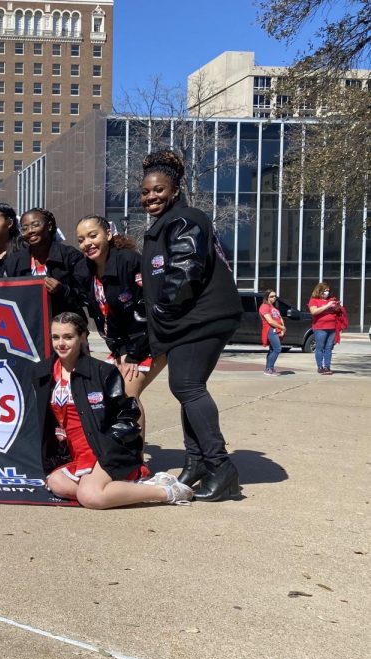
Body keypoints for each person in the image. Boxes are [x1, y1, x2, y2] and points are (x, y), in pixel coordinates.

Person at [139, 150, 242, 501]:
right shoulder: (167, 223)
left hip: (201, 318)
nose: (151, 197)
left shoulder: (185, 220)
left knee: (188, 386)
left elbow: (185, 270)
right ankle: (197, 461)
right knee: (186, 387)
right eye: (146, 191)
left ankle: (220, 466)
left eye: (159, 190)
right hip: (189, 320)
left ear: (175, 190)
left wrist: (164, 312)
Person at [39, 312, 193, 508]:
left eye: (68, 337)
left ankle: (166, 491)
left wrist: (111, 445)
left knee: (90, 497)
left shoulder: (103, 371)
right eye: (56, 337)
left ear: (83, 337)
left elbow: (128, 413)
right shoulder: (43, 372)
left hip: (104, 447)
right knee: (56, 483)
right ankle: (126, 489)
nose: (61, 343)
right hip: (76, 452)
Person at [76, 215, 166, 438]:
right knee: (109, 392)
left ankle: (138, 462)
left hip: (150, 341)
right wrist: (121, 352)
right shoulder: (84, 271)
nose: (87, 243)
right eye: (81, 239)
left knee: (127, 393)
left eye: (93, 235)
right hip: (123, 346)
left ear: (108, 234)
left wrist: (133, 355)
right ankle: (120, 451)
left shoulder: (129, 260)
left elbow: (150, 308)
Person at [3, 208, 88, 315]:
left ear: (49, 226)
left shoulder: (70, 256)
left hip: (64, 324)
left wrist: (62, 290)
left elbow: (85, 297)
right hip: (30, 324)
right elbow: (6, 296)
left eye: (35, 225)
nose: (30, 231)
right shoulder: (14, 261)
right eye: (24, 228)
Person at [308, 282, 347, 375]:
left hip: (332, 328)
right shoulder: (314, 300)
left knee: (329, 348)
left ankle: (327, 366)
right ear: (319, 291)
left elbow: (338, 313)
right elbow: (314, 312)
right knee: (320, 347)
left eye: (328, 291)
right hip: (320, 328)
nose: (327, 293)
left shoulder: (331, 300)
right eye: (325, 291)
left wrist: (337, 307)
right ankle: (320, 367)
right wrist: (327, 306)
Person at [259, 289, 285, 376]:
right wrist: (281, 327)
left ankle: (269, 368)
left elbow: (279, 317)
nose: (274, 298)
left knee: (272, 349)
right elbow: (270, 321)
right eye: (271, 296)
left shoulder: (273, 307)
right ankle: (269, 368)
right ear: (267, 297)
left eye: (275, 296)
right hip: (270, 329)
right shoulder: (264, 307)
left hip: (276, 329)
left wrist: (282, 328)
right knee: (277, 349)